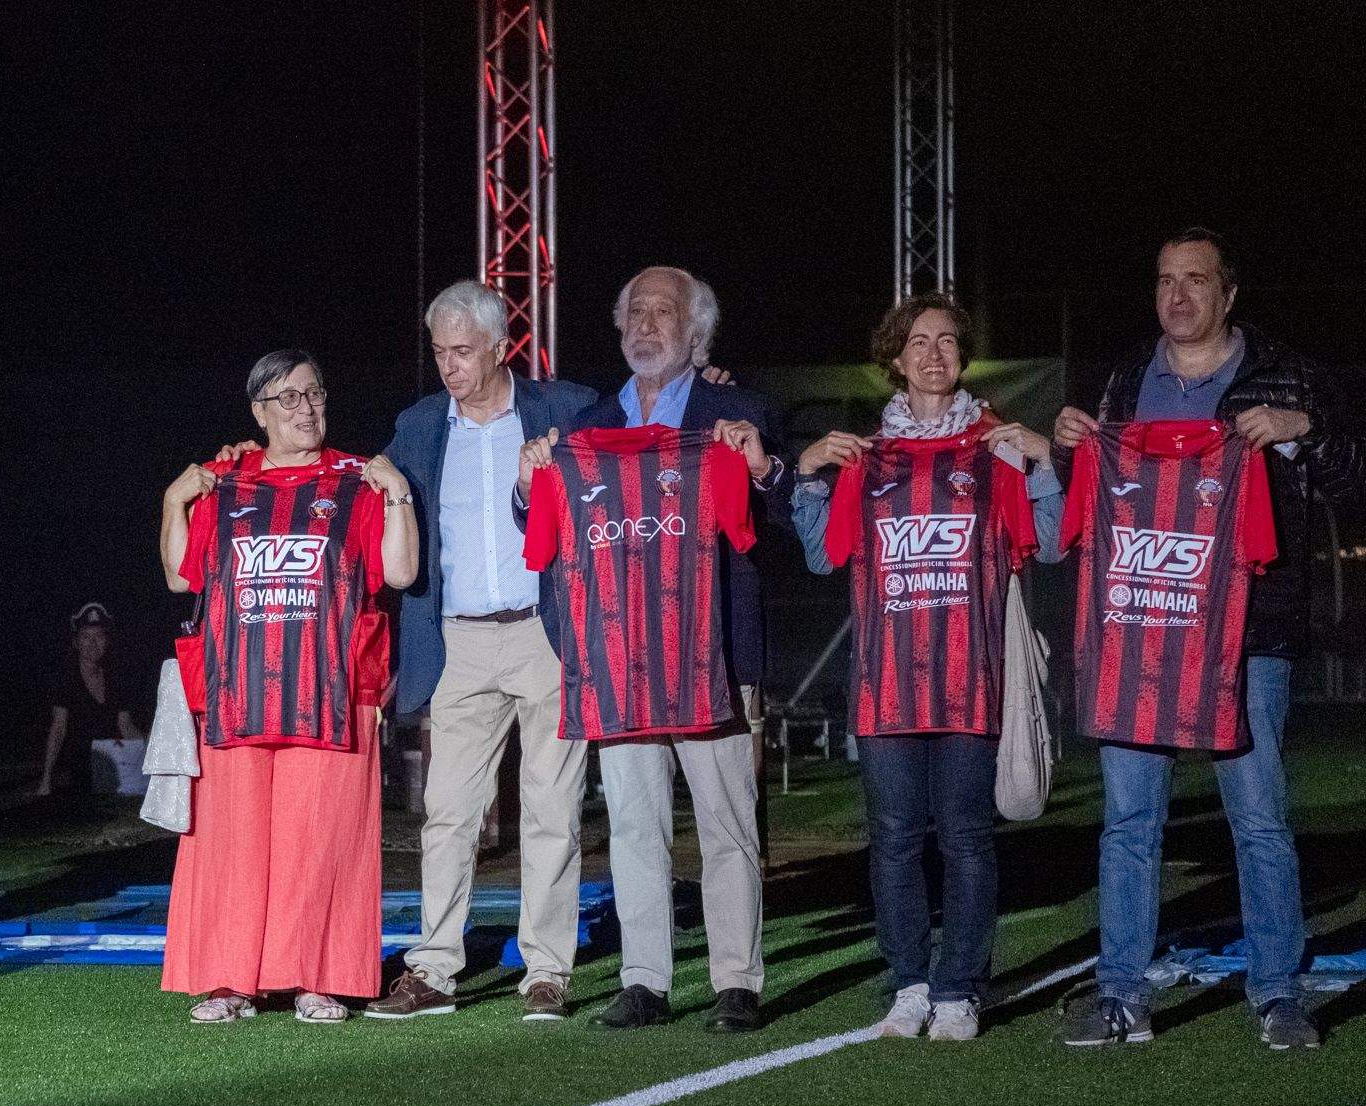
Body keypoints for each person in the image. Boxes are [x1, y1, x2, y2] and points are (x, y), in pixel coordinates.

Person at [1052, 229, 1363, 1050]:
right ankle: (1121, 992)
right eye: (1164, 281)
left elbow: (1351, 475)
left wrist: (1302, 429)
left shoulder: (1288, 373)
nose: (1177, 296)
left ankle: (1278, 991)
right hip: (1140, 631)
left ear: (1229, 292)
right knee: (1128, 818)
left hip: (1248, 630)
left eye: (1195, 280)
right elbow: (1086, 502)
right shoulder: (1125, 379)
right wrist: (1069, 439)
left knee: (1257, 815)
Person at [519, 266, 792, 1032]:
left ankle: (736, 979)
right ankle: (645, 979)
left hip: (714, 658)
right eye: (634, 311)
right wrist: (525, 484)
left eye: (663, 312)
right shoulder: (586, 428)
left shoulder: (738, 413)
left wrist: (762, 466)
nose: (646, 324)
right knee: (635, 824)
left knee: (727, 822)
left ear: (696, 332)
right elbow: (546, 536)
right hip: (620, 662)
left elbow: (774, 523)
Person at [791, 294, 1065, 1040]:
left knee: (967, 837)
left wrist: (1042, 465)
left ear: (963, 357)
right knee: (894, 838)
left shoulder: (994, 446)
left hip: (970, 680)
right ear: (895, 358)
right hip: (886, 687)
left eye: (948, 341)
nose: (934, 353)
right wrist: (809, 473)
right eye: (918, 341)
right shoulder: (866, 456)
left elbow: (1049, 539)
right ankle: (910, 981)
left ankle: (959, 989)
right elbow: (821, 555)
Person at [159, 350, 418, 1022]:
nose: (307, 409)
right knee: (233, 841)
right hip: (236, 690)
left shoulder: (356, 480)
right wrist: (172, 500)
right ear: (258, 412)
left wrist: (398, 492)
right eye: (289, 398)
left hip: (331, 692)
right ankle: (230, 977)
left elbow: (399, 571)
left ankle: (316, 975)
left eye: (315, 394)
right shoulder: (223, 481)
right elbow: (181, 578)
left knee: (323, 838)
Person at [364, 281, 598, 1023]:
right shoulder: (420, 424)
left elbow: (639, 434)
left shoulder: (567, 409)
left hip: (545, 631)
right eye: (439, 351)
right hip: (457, 639)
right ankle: (432, 968)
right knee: (448, 812)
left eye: (463, 350)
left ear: (503, 348)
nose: (449, 366)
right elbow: (374, 493)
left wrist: (714, 383)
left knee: (552, 808)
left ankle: (547, 971)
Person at [37, 603, 142, 798]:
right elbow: (58, 729)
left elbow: (126, 726)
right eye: (86, 637)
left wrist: (149, 753)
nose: (92, 644)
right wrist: (46, 781)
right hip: (80, 763)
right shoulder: (65, 678)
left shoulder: (116, 677)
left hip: (114, 758)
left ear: (107, 641)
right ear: (76, 642)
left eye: (99, 637)